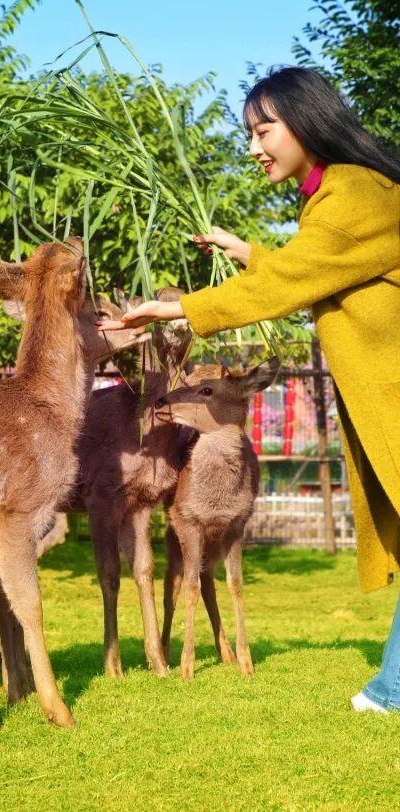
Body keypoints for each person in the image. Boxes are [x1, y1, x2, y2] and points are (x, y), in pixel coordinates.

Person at [97, 66, 400, 712]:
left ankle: (391, 689)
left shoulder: (353, 196)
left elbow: (288, 282)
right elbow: (308, 268)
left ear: (307, 122)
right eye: (249, 133)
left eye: (264, 131)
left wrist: (173, 310)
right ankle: (393, 687)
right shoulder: (339, 197)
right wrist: (251, 253)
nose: (253, 148)